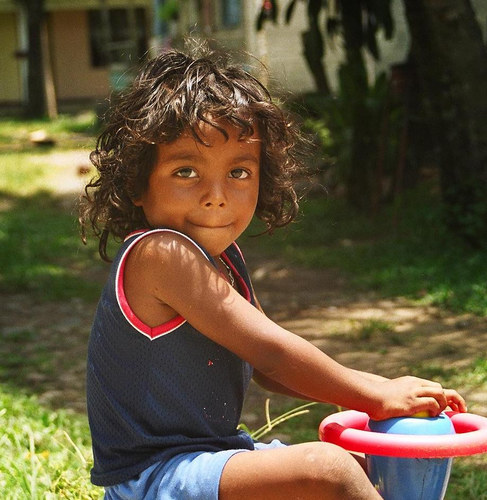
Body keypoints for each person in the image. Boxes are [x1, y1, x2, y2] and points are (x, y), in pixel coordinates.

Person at [80, 46, 467, 500]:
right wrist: (375, 393)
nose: (216, 196)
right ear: (136, 183)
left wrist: (372, 394)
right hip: (152, 479)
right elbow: (271, 353)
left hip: (214, 457)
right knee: (329, 469)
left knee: (372, 468)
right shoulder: (161, 253)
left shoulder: (224, 258)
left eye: (239, 172)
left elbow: (270, 372)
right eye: (186, 171)